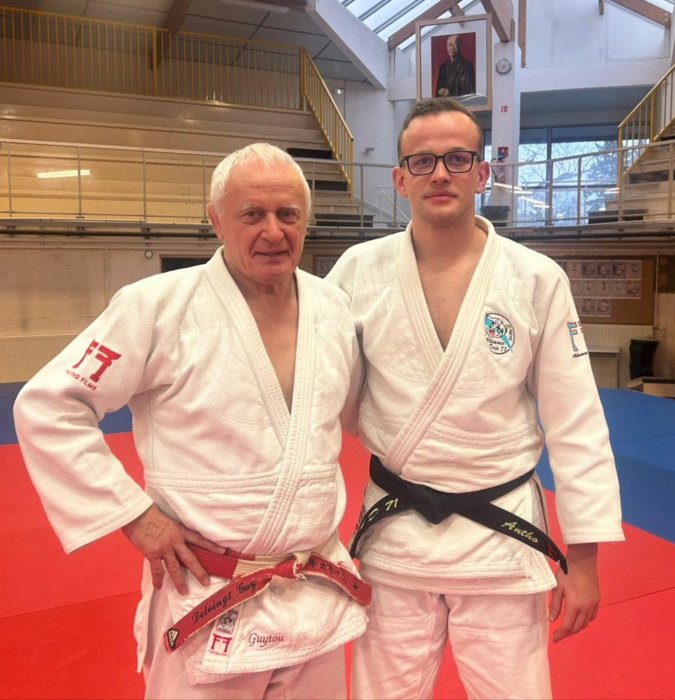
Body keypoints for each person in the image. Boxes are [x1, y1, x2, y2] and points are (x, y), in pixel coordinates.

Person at [13, 142, 370, 699]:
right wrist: (135, 516)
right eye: (252, 214)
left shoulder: (334, 308)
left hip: (312, 590)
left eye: (288, 214)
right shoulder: (156, 306)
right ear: (216, 220)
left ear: (307, 220)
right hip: (206, 590)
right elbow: (49, 404)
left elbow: (346, 416)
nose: (273, 231)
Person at [326, 97, 624, 700]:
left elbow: (576, 421)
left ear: (482, 173)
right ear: (400, 178)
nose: (440, 173)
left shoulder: (535, 278)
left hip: (502, 537)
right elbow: (320, 391)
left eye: (457, 159)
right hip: (395, 536)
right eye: (423, 161)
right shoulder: (358, 271)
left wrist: (585, 558)